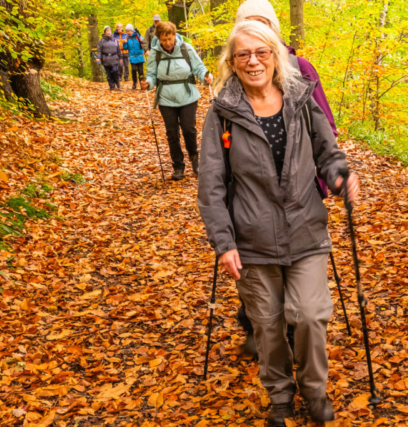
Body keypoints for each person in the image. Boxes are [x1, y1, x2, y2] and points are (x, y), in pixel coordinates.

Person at [198, 21, 360, 426]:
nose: (253, 61)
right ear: (232, 63)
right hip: (251, 240)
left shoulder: (301, 99)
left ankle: (314, 390)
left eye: (261, 52)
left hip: (306, 230)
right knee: (267, 326)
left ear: (275, 54)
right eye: (243, 55)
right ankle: (281, 398)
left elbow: (328, 152)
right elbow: (211, 185)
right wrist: (224, 242)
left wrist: (340, 174)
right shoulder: (222, 114)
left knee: (308, 315)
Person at [234, 0, 339, 355]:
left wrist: (325, 180)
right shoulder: (235, 76)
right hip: (251, 200)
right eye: (249, 25)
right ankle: (260, 324)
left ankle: (295, 330)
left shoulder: (301, 68)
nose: (257, 32)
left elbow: (326, 127)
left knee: (300, 263)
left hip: (299, 191)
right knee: (257, 264)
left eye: (263, 24)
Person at [140, 21, 213, 180]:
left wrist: (206, 77)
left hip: (188, 96)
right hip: (166, 98)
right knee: (172, 133)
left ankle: (195, 160)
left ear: (174, 36)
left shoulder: (186, 48)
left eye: (170, 38)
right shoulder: (155, 53)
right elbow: (151, 75)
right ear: (158, 38)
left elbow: (199, 68)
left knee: (189, 130)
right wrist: (148, 83)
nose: (167, 43)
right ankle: (178, 167)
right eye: (163, 39)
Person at [97, 26, 122, 91]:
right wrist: (98, 57)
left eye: (110, 31)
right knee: (108, 73)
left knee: (115, 71)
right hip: (105, 59)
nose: (109, 32)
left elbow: (118, 50)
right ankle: (112, 86)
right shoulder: (102, 41)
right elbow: (99, 50)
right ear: (105, 32)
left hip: (114, 58)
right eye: (107, 31)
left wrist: (120, 57)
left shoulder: (115, 40)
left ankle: (117, 81)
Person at [123, 24, 145, 90]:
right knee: (133, 70)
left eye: (129, 31)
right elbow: (125, 48)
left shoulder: (138, 36)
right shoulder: (126, 38)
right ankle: (134, 83)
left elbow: (144, 44)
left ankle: (142, 84)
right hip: (132, 57)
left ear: (132, 30)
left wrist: (142, 41)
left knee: (141, 71)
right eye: (127, 31)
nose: (128, 32)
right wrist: (124, 43)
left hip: (140, 56)